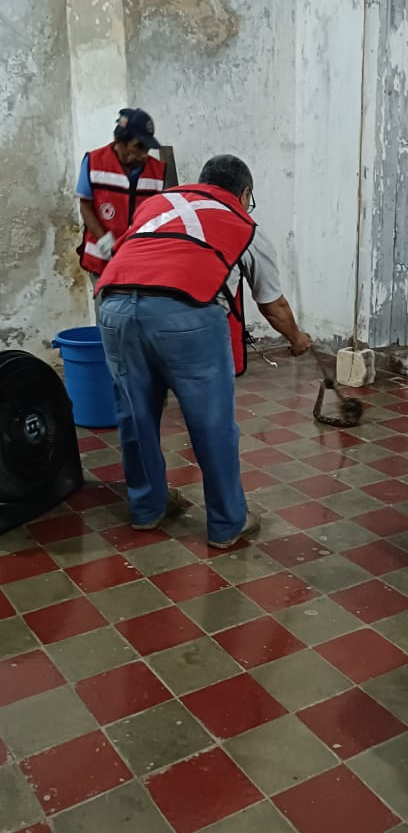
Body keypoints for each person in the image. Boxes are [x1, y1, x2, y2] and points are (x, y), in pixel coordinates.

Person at [96, 154, 311, 547]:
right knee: (211, 423)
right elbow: (271, 303)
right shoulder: (244, 224)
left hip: (113, 307)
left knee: (135, 414)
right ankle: (228, 522)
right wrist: (297, 338)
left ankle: (148, 508)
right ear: (244, 194)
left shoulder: (158, 204)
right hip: (185, 314)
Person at [76, 108, 166, 299]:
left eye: (147, 149)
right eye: (138, 147)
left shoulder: (158, 171)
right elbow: (85, 205)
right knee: (108, 319)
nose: (144, 155)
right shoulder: (93, 162)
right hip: (103, 261)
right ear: (120, 141)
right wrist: (105, 241)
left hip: (141, 262)